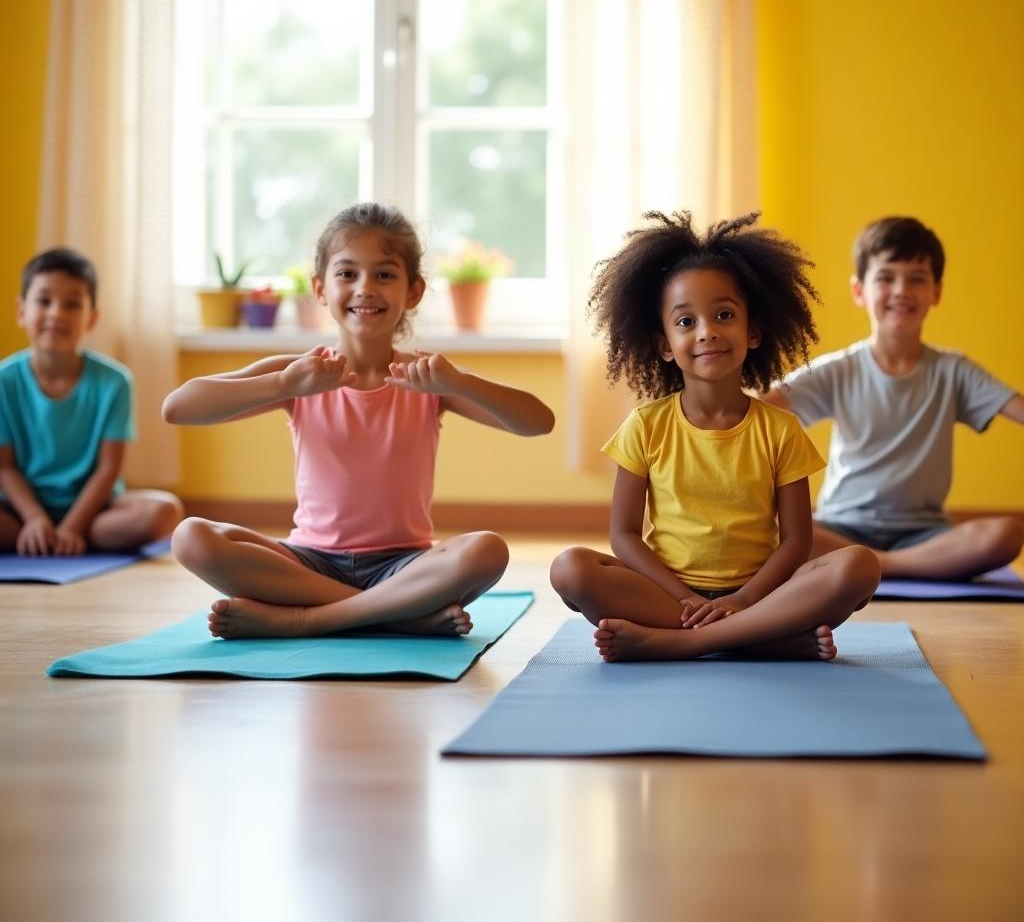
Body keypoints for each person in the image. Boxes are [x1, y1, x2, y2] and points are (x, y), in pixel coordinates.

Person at [163, 202, 555, 639]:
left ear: (413, 292)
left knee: (486, 551)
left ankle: (307, 619)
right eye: (347, 274)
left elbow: (539, 421)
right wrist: (281, 386)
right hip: (309, 562)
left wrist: (461, 383)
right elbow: (178, 407)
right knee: (190, 537)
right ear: (320, 288)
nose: (365, 288)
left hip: (403, 566)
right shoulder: (299, 374)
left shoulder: (428, 379)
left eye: (384, 274)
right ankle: (393, 615)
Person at [550, 210, 879, 663]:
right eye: (686, 322)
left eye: (724, 314)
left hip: (760, 594)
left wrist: (742, 600)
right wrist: (685, 597)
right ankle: (761, 638)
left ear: (754, 332)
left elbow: (796, 542)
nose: (707, 332)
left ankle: (685, 644)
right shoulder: (646, 425)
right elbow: (624, 535)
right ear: (665, 345)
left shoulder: (780, 430)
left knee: (858, 566)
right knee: (571, 569)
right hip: (669, 598)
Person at [761, 216, 1024, 579]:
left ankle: (876, 565)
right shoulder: (840, 368)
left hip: (924, 535)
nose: (901, 290)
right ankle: (886, 564)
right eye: (886, 277)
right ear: (859, 291)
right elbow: (756, 406)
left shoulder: (954, 370)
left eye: (917, 278)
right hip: (840, 527)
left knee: (1006, 534)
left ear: (936, 292)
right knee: (769, 530)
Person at [0, 249, 183, 555]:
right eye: (44, 301)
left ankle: (65, 537)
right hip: (19, 511)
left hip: (94, 512)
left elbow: (109, 468)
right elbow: (4, 467)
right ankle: (37, 534)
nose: (57, 313)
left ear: (92, 318)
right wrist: (33, 517)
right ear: (21, 311)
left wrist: (73, 525)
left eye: (72, 304)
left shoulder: (115, 382)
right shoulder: (4, 381)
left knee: (165, 511)